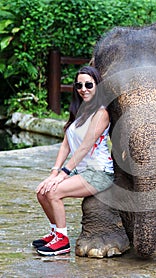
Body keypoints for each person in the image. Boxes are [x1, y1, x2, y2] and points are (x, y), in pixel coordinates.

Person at [33, 66, 114, 256]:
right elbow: (65, 146)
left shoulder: (101, 113)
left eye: (88, 84)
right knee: (42, 192)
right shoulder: (79, 111)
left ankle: (62, 242)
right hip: (82, 171)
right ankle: (55, 233)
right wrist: (53, 173)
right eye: (79, 85)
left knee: (53, 192)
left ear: (97, 86)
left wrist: (63, 174)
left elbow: (85, 146)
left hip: (99, 173)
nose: (83, 89)